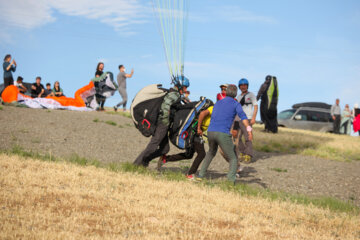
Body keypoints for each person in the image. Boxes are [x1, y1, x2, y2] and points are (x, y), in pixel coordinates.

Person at [197, 84, 253, 183]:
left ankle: (200, 176)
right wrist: (248, 129)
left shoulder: (218, 103)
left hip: (210, 132)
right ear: (235, 94)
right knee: (233, 158)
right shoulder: (236, 104)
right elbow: (243, 117)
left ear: (226, 92)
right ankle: (230, 182)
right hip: (222, 133)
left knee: (210, 153)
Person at [133, 76, 189, 167]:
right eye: (185, 87)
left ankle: (145, 161)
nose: (186, 89)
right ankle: (136, 165)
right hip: (163, 124)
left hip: (163, 124)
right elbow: (165, 107)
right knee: (153, 145)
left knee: (165, 149)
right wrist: (166, 122)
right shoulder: (173, 94)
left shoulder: (175, 94)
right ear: (180, 86)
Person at [157, 100, 214, 180]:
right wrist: (198, 128)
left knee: (189, 154)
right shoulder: (213, 108)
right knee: (201, 154)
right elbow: (202, 114)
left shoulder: (216, 110)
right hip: (195, 131)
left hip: (194, 131)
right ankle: (190, 174)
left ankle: (165, 159)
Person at [232, 78, 258, 165]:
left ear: (247, 86)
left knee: (248, 137)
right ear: (239, 87)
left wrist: (254, 118)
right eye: (241, 85)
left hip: (248, 119)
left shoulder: (251, 95)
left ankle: (248, 155)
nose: (243, 87)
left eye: (245, 85)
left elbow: (255, 106)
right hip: (239, 119)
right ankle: (243, 152)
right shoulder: (238, 97)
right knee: (236, 137)